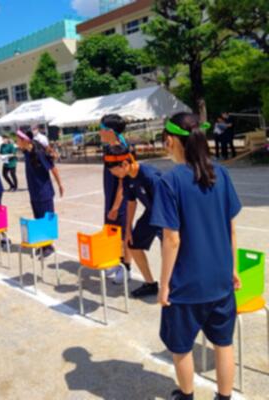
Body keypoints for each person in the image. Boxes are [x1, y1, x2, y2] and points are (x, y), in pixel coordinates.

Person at [150, 112, 242, 400]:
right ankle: (224, 397)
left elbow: (172, 239)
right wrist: (233, 268)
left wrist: (164, 284)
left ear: (171, 140)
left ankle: (187, 395)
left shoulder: (169, 181)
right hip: (221, 279)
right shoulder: (220, 174)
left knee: (181, 348)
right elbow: (231, 228)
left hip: (186, 284)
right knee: (223, 344)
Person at [104, 145, 162, 298]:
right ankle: (150, 284)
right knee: (133, 243)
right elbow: (131, 202)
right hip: (151, 213)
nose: (113, 174)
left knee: (171, 251)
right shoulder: (127, 178)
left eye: (113, 170)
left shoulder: (150, 177)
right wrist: (128, 230)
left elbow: (166, 205)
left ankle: (176, 286)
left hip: (167, 213)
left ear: (124, 164)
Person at [16, 129, 64, 258]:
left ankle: (49, 247)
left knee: (46, 219)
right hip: (34, 192)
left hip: (44, 192)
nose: (16, 142)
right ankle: (43, 244)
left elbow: (52, 168)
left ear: (25, 140)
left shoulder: (38, 153)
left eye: (18, 140)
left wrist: (60, 184)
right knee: (38, 219)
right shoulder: (27, 152)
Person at [99, 114, 132, 285]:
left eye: (101, 129)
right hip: (110, 199)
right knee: (112, 233)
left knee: (124, 235)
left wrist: (116, 207)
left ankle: (126, 268)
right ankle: (115, 261)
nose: (99, 132)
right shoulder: (109, 149)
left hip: (121, 202)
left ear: (110, 131)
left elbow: (123, 184)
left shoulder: (121, 150)